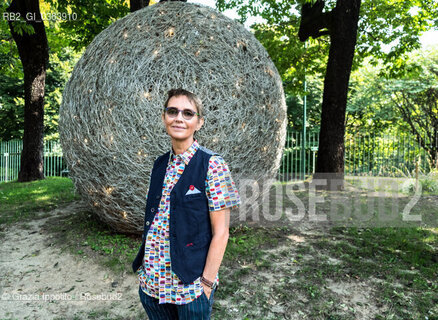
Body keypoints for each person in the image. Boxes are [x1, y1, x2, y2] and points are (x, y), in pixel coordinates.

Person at [132, 88, 240, 319]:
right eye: (173, 111)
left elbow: (221, 232)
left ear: (199, 122)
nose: (179, 118)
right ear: (164, 118)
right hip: (152, 283)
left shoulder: (213, 165)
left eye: (188, 113)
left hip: (190, 288)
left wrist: (206, 285)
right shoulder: (159, 165)